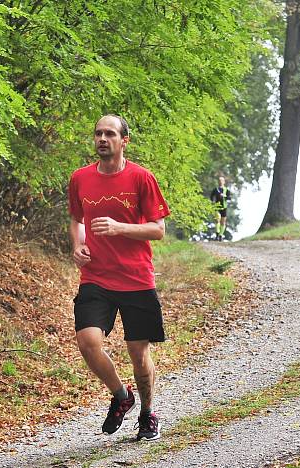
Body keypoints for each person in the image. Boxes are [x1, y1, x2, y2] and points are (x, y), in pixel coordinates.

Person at [68, 114, 170, 441]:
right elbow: (76, 218)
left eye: (109, 134)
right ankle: (121, 396)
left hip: (136, 278)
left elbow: (158, 229)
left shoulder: (141, 178)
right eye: (98, 133)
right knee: (88, 341)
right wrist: (77, 244)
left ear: (124, 141)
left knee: (139, 356)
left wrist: (119, 228)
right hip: (95, 277)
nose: (102, 138)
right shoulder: (80, 178)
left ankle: (147, 413)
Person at [209, 176, 230, 241]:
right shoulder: (216, 189)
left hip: (224, 207)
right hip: (217, 206)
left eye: (222, 180)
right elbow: (211, 196)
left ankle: (221, 235)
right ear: (218, 182)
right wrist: (212, 201)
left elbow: (229, 198)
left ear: (224, 182)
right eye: (219, 180)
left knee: (223, 222)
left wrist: (225, 196)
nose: (220, 182)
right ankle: (217, 233)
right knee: (217, 219)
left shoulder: (226, 190)